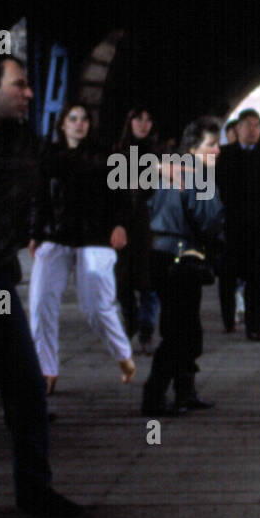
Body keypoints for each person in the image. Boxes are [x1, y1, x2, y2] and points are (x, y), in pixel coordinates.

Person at [0, 51, 85, 518]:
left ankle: (34, 491)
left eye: (30, 85)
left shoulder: (21, 141)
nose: (29, 93)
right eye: (19, 84)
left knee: (27, 385)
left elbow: (60, 179)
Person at [27, 101, 136, 394]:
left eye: (84, 119)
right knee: (40, 304)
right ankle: (46, 370)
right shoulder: (47, 156)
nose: (79, 124)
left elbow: (123, 195)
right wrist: (36, 233)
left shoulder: (107, 155)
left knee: (96, 307)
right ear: (62, 123)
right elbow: (39, 197)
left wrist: (120, 224)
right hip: (56, 235)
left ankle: (123, 354)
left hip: (95, 237)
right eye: (73, 119)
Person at [141, 118, 224, 416]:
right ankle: (155, 395)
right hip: (184, 255)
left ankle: (184, 392)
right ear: (193, 148)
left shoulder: (168, 170)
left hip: (160, 254)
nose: (217, 150)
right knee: (181, 331)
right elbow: (209, 219)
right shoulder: (198, 175)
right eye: (210, 145)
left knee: (181, 325)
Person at [216, 108, 260, 340]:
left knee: (255, 278)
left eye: (257, 125)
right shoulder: (224, 154)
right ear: (237, 128)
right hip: (229, 227)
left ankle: (254, 327)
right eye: (248, 125)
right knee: (227, 276)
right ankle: (228, 320)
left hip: (258, 227)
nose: (253, 130)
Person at [114, 105, 161, 351]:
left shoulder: (157, 154)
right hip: (123, 223)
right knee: (123, 282)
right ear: (130, 122)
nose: (143, 124)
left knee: (149, 281)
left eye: (148, 119)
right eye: (139, 119)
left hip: (149, 224)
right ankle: (132, 324)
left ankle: (145, 329)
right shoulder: (118, 153)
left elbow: (156, 191)